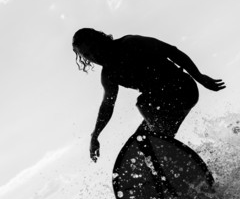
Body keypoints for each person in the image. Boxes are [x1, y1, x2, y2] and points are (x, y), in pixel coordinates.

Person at [72, 28, 226, 162]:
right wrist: (95, 136)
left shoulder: (130, 43)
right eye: (87, 54)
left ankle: (164, 151)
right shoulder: (108, 75)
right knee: (142, 142)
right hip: (161, 103)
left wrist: (200, 77)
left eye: (93, 48)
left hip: (182, 89)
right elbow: (107, 106)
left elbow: (171, 51)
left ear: (100, 39)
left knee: (144, 106)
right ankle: (170, 174)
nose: (94, 55)